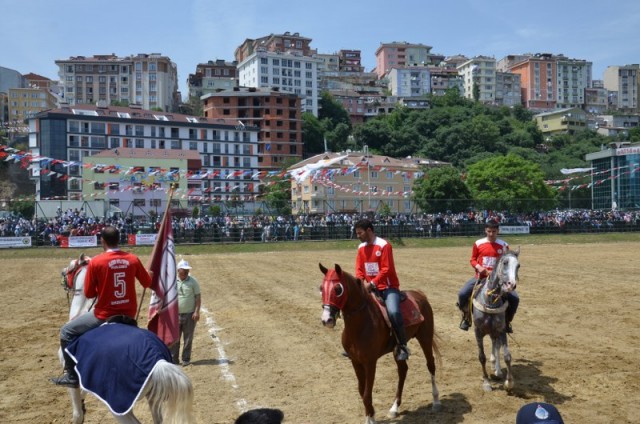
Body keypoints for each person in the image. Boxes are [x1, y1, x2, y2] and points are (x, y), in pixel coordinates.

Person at [51, 226, 153, 388]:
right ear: (119, 240)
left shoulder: (97, 262)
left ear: (102, 241)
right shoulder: (133, 259)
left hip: (104, 315)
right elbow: (147, 283)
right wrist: (149, 275)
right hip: (129, 314)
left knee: (66, 331)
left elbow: (90, 294)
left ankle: (71, 375)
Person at [354, 218, 409, 361]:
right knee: (355, 310)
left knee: (394, 312)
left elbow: (386, 269)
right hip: (370, 288)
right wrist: (360, 283)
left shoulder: (384, 245)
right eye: (357, 233)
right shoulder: (361, 248)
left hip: (388, 288)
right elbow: (359, 270)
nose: (358, 236)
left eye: (360, 233)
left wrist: (371, 283)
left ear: (369, 231)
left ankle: (402, 346)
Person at [457, 219, 519, 333]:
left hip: (499, 281)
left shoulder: (504, 245)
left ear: (498, 231)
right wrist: (479, 268)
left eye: (494, 231)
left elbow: (508, 263)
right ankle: (466, 317)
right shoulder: (478, 243)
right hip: (480, 278)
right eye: (489, 231)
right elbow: (473, 259)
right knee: (462, 294)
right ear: (485, 230)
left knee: (515, 299)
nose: (491, 234)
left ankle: (507, 321)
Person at [170, 258, 201, 366]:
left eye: (187, 271)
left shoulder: (193, 281)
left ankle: (186, 359)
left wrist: (196, 311)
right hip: (175, 315)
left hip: (189, 314)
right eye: (183, 271)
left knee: (188, 338)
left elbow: (197, 296)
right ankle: (174, 360)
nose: (186, 273)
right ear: (178, 271)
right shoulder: (172, 282)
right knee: (175, 339)